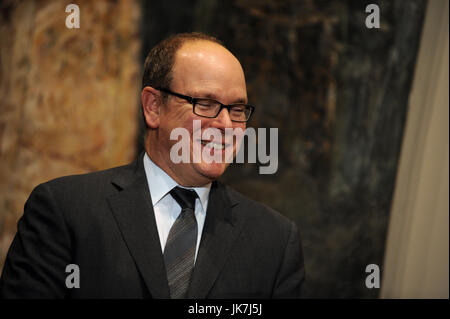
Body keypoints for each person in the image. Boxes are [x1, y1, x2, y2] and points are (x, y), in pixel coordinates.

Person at [0, 32, 305, 298]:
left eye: (237, 109)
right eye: (206, 104)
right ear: (154, 107)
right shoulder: (67, 211)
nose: (226, 124)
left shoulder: (274, 239)